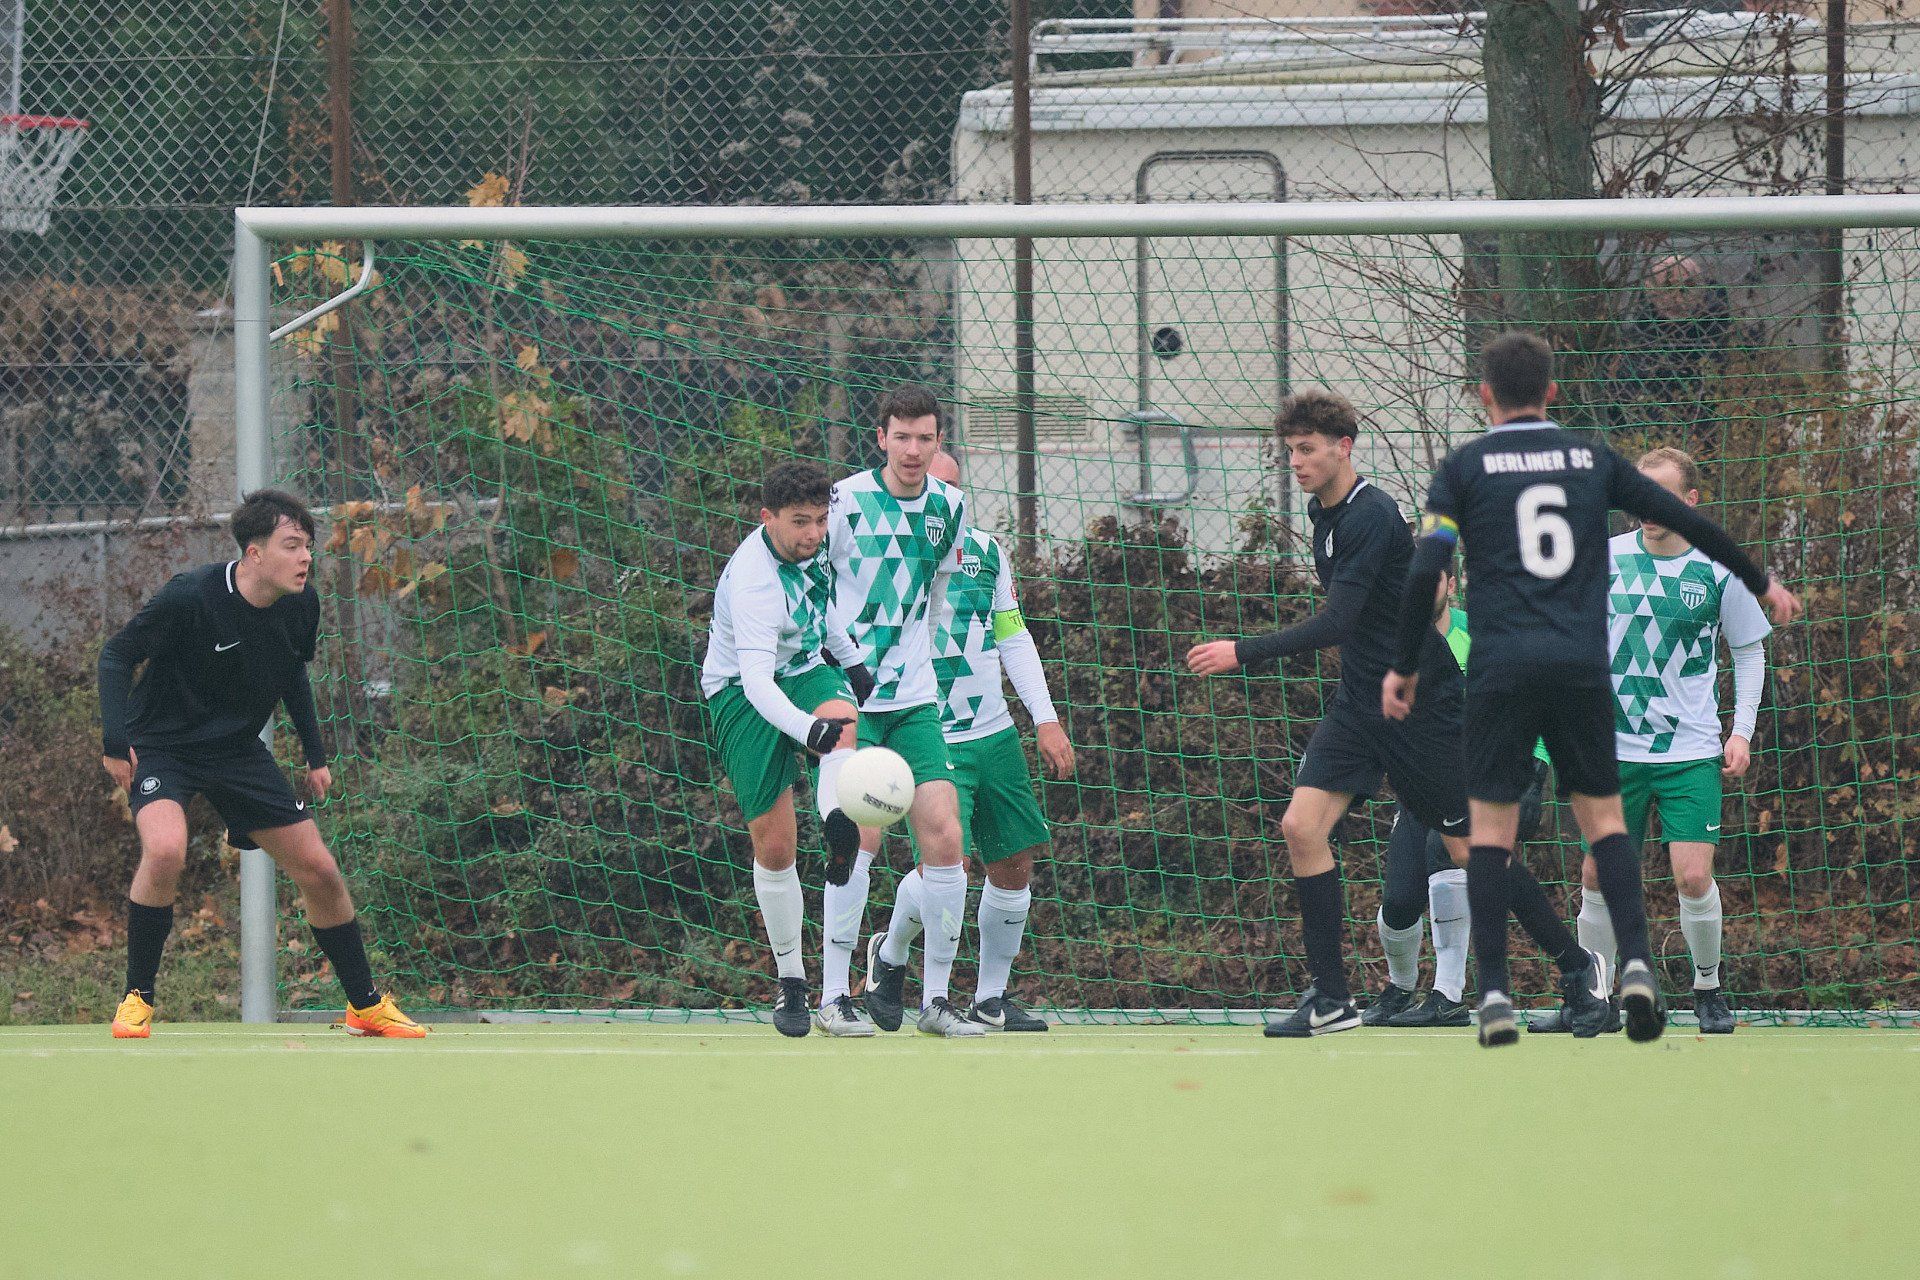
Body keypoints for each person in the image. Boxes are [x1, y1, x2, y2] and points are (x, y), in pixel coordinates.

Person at [1383, 331, 1800, 1047]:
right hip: (1576, 669)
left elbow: (1428, 565)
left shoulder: (1464, 467)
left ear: (1484, 396)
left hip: (1501, 670)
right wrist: (1762, 579)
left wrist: (1403, 663)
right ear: (1552, 392)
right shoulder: (1589, 458)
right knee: (1606, 828)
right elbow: (1695, 523)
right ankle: (1634, 963)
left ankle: (1493, 993)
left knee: (1488, 837)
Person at [1187, 388, 1607, 1038]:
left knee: (1473, 852)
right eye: (1290, 450)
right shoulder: (1323, 514)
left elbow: (1339, 621)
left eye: (1307, 449)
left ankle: (1579, 973)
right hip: (1361, 705)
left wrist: (1241, 651)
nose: (1296, 461)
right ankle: (1331, 999)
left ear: (1343, 447)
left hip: (1420, 706)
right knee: (1301, 827)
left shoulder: (1372, 516)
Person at [97, 489, 424, 1038]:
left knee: (320, 870)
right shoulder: (191, 596)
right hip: (162, 747)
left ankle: (365, 1006)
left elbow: (291, 671)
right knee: (166, 849)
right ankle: (137, 998)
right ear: (254, 554)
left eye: (308, 546)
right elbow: (116, 655)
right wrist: (114, 740)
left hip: (237, 752)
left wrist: (315, 754)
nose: (306, 557)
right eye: (292, 545)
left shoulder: (301, 604)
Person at [1530, 446, 1770, 1036]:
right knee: (1596, 876)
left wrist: (1741, 731)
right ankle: (1595, 998)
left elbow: (1748, 652)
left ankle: (1708, 989)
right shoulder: (1603, 558)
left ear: (1690, 500)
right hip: (1611, 752)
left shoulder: (1720, 568)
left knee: (1693, 878)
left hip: (1689, 752)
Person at [873, 450, 1075, 1032]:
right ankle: (892, 953)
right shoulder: (889, 556)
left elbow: (1012, 634)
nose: (944, 499)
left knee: (1014, 862)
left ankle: (990, 998)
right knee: (950, 866)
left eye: (953, 489)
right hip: (929, 732)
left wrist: (1045, 718)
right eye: (932, 487)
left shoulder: (986, 552)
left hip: (994, 732)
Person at [822, 386, 984, 1038]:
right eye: (902, 437)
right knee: (856, 839)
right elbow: (815, 585)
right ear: (881, 438)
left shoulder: (951, 506)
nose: (913, 449)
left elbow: (938, 593)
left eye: (925, 438)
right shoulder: (844, 500)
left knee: (945, 836)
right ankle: (833, 996)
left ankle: (935, 1001)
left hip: (915, 701)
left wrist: (919, 664)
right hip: (850, 699)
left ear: (938, 440)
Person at [702, 460, 873, 1037]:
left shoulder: (813, 546)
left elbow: (819, 610)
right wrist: (806, 730)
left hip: (801, 669)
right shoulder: (753, 581)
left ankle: (837, 822)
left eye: (821, 521)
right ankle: (792, 980)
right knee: (775, 848)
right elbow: (756, 682)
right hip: (739, 691)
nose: (813, 534)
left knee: (842, 720)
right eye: (800, 522)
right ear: (767, 518)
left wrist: (851, 661)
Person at [1366, 571, 1554, 1029]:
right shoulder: (1394, 647)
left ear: (1450, 585)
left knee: (1446, 851)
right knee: (1399, 903)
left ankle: (1448, 996)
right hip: (1424, 783)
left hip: (1489, 778)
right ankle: (1401, 987)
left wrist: (1534, 772)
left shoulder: (1483, 636)